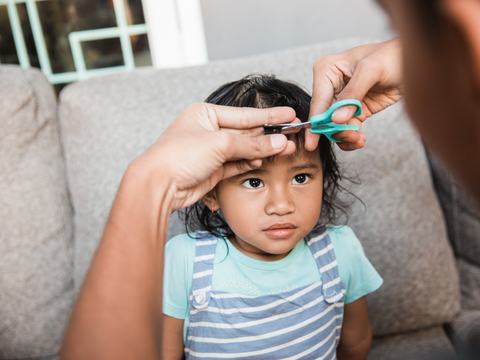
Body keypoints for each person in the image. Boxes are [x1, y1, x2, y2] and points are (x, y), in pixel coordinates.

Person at [161, 75, 383, 360]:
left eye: (301, 177)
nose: (281, 205)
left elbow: (356, 342)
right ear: (210, 193)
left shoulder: (340, 251)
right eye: (254, 182)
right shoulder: (185, 260)